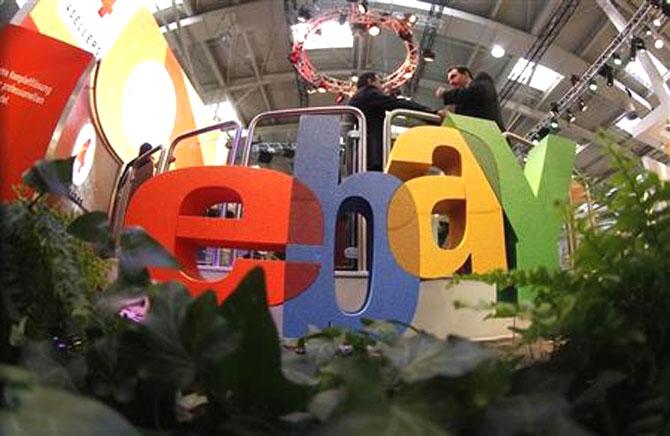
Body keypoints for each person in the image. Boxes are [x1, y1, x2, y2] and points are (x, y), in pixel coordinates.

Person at [350, 72, 437, 171]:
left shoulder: (359, 96)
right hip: (372, 153)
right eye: (380, 81)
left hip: (362, 152)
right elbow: (397, 104)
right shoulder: (369, 93)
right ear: (370, 81)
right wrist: (430, 112)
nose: (381, 85)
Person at [435, 65, 505, 131]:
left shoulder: (482, 81)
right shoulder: (461, 105)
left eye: (453, 77)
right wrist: (450, 116)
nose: (451, 82)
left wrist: (445, 94)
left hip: (492, 132)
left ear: (466, 74)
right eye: (449, 80)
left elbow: (473, 92)